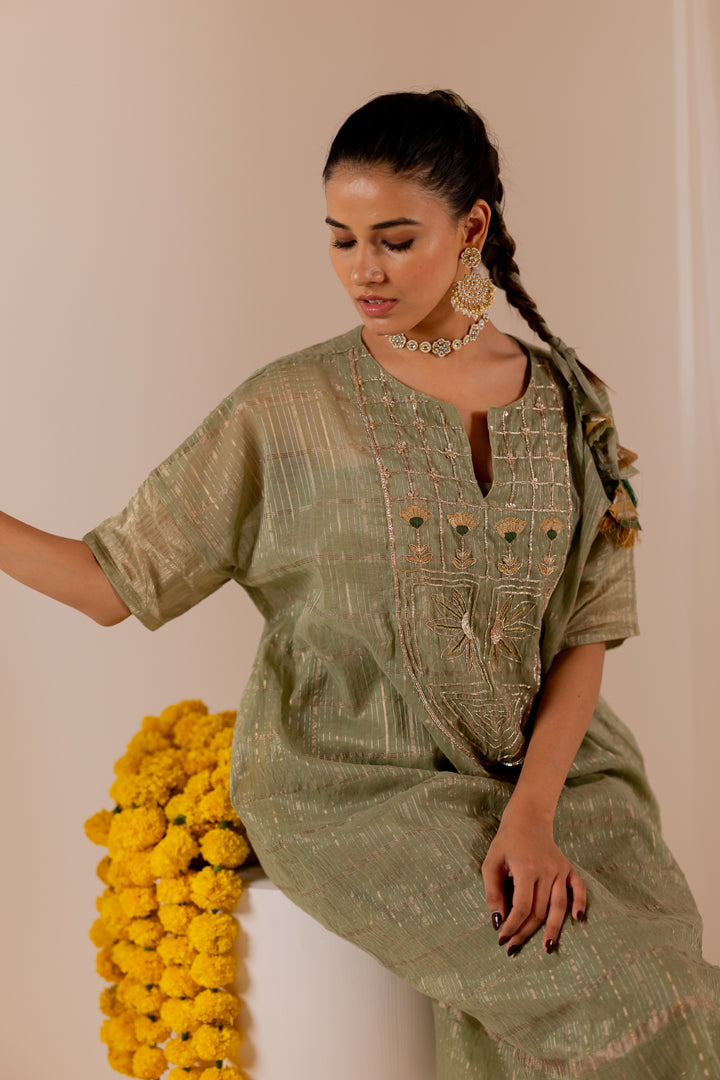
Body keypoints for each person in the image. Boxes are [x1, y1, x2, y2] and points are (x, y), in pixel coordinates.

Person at [2, 89, 718, 1077]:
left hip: (561, 778)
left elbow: (586, 630)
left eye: (393, 240)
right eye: (340, 240)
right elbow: (110, 582)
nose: (362, 271)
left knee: (674, 985)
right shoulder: (288, 409)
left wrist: (533, 814)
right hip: (357, 784)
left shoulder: (566, 400)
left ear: (471, 229)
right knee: (586, 987)